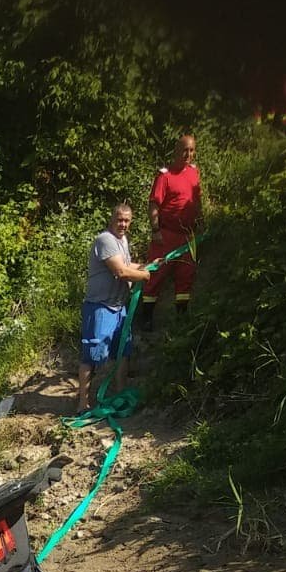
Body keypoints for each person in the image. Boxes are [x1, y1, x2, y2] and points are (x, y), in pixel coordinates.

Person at [77, 200, 151, 414]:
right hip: (100, 307)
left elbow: (128, 266)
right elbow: (121, 272)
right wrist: (144, 275)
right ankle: (83, 403)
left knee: (122, 351)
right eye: (120, 220)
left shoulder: (123, 240)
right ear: (112, 219)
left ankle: (121, 394)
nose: (123, 224)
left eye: (127, 221)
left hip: (119, 307)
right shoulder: (106, 240)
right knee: (92, 355)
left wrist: (149, 264)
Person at [140, 133, 202, 329]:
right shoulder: (165, 176)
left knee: (186, 274)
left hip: (188, 235)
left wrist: (201, 221)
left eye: (191, 150)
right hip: (166, 234)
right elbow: (153, 205)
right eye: (185, 150)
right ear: (176, 151)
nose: (188, 154)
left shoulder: (194, 172)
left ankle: (181, 318)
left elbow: (196, 200)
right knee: (156, 273)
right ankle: (146, 318)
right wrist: (156, 229)